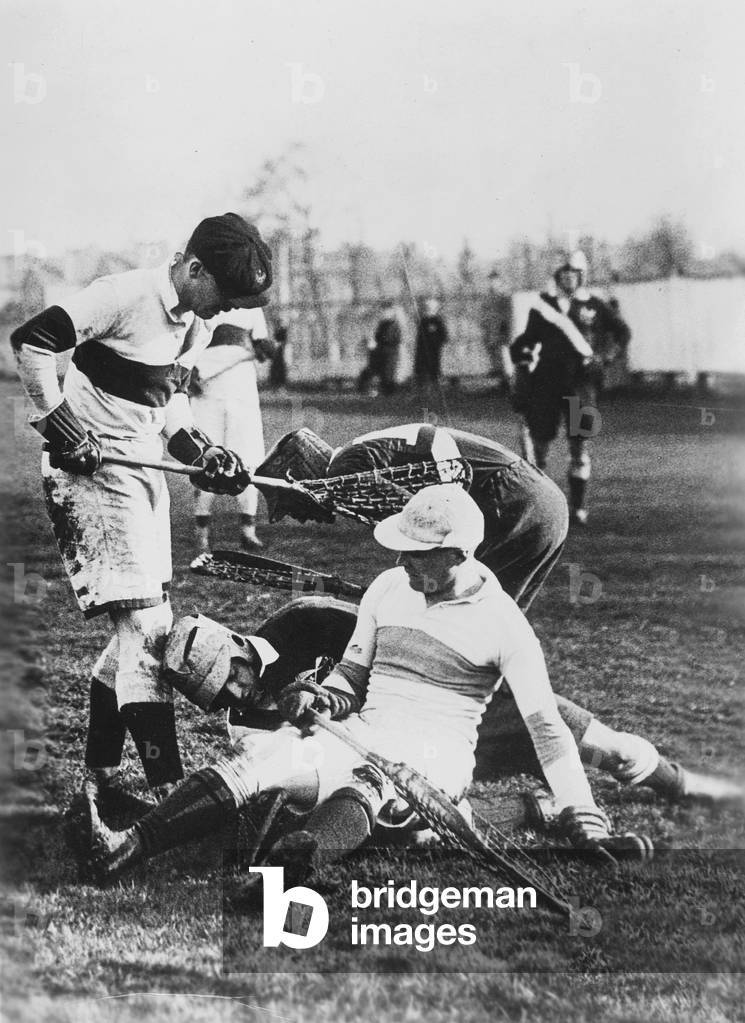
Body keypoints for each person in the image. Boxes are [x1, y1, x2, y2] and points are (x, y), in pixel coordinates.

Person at [76, 488, 742, 885]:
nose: (236, 700)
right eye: (220, 700)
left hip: (489, 717)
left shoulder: (314, 617)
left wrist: (584, 812)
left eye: (233, 683)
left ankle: (694, 786)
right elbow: (353, 678)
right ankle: (126, 847)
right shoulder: (380, 594)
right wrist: (321, 701)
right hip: (384, 750)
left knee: (613, 751)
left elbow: (540, 723)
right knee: (390, 820)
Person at [10, 212, 273, 806]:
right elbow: (30, 341)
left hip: (140, 476)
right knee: (151, 636)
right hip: (90, 479)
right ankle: (171, 797)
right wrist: (60, 424)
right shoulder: (122, 296)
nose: (226, 310)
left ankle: (98, 778)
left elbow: (170, 408)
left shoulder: (197, 325)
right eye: (223, 296)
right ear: (195, 267)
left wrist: (204, 452)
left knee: (137, 635)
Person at [509, 251, 630, 524]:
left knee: (579, 446)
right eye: (563, 274)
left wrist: (606, 357)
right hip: (545, 384)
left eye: (573, 274)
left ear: (581, 276)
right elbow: (528, 339)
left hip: (580, 386)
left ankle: (578, 507)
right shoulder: (543, 306)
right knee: (539, 447)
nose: (568, 279)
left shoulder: (594, 306)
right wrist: (522, 357)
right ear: (557, 277)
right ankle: (539, 508)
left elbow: (622, 332)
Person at [190, 307, 275, 552]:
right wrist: (189, 372)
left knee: (247, 456)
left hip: (241, 389)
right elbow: (184, 343)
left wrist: (265, 348)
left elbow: (261, 343)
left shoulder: (251, 305)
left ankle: (248, 530)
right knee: (204, 456)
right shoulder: (202, 300)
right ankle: (201, 533)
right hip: (206, 389)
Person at [480, 268, 512, 386]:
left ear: (499, 281)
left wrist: (504, 327)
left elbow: (507, 313)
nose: (492, 283)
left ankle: (507, 381)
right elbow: (484, 311)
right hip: (490, 329)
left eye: (494, 280)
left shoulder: (504, 295)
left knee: (503, 354)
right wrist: (484, 323)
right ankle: (501, 381)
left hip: (501, 329)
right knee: (493, 354)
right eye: (490, 280)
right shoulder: (488, 296)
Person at [414, 298, 448, 388]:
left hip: (433, 349)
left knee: (434, 365)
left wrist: (435, 342)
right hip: (424, 349)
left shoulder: (437, 321)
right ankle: (423, 382)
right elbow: (420, 336)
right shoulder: (423, 321)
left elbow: (443, 336)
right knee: (423, 366)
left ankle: (434, 381)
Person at [373, 302, 402, 396]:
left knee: (389, 372)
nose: (384, 314)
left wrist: (386, 340)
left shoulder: (395, 324)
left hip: (391, 352)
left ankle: (390, 392)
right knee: (382, 372)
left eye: (386, 312)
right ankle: (384, 391)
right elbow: (377, 336)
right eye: (383, 312)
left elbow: (397, 339)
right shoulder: (382, 324)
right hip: (381, 351)